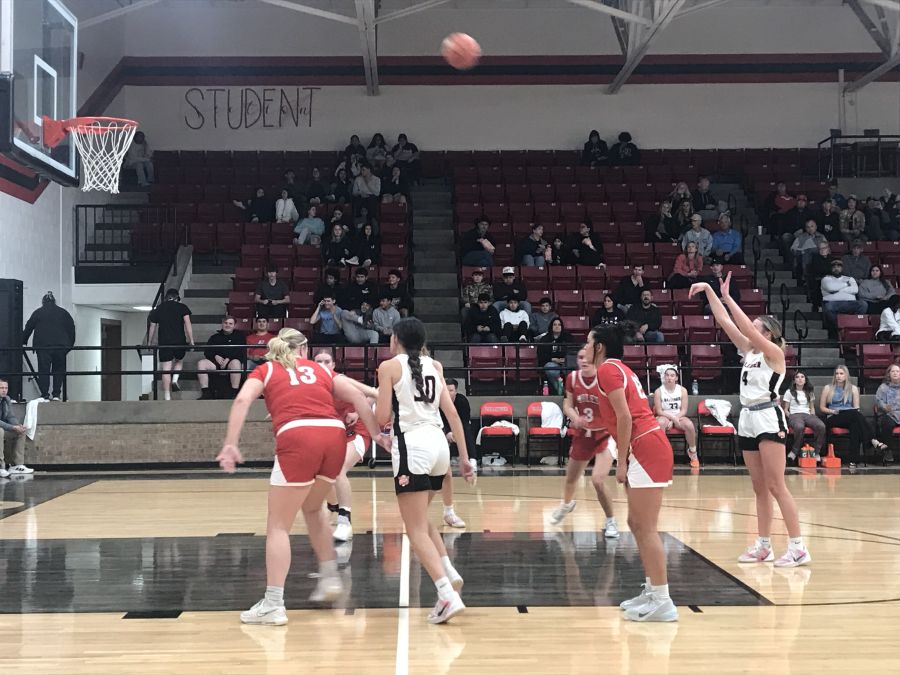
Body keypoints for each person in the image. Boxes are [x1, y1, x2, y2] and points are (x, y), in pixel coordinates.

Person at [216, 328, 388, 625]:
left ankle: (273, 603)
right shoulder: (320, 370)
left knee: (278, 526)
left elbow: (242, 401)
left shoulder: (266, 369)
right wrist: (377, 434)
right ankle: (330, 578)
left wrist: (230, 443)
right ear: (304, 350)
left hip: (298, 436)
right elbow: (361, 397)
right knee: (312, 508)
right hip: (334, 438)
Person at [688, 272, 809, 568]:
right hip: (747, 418)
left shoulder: (774, 353)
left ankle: (798, 547)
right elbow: (725, 322)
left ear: (767, 334)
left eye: (756, 328)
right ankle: (764, 545)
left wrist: (729, 297)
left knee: (776, 485)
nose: (750, 330)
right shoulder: (749, 351)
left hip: (768, 415)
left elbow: (744, 326)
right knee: (758, 486)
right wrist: (709, 290)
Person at [374, 318, 476, 624]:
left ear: (395, 339)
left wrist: (375, 400)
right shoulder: (436, 366)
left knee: (413, 529)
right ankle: (448, 570)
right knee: (421, 520)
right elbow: (453, 413)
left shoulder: (389, 367)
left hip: (413, 446)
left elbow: (381, 417)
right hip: (439, 447)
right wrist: (466, 457)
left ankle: (446, 594)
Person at [585, 323, 675, 622]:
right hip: (643, 444)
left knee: (646, 527)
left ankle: (663, 601)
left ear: (599, 347)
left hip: (645, 446)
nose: (583, 349)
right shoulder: (619, 369)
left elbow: (624, 417)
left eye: (588, 343)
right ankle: (652, 590)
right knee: (635, 522)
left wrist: (620, 460)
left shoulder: (607, 370)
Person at [550, 346, 620, 537]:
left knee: (597, 480)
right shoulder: (572, 378)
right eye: (580, 357)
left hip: (605, 434)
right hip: (584, 433)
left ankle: (611, 521)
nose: (583, 360)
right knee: (571, 478)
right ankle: (566, 505)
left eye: (586, 357)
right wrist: (575, 417)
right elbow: (567, 404)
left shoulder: (605, 379)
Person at [313, 349, 381, 542]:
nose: (323, 365)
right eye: (319, 361)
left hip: (356, 433)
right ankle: (333, 506)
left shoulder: (340, 380)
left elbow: (374, 395)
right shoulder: (312, 384)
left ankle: (345, 521)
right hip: (333, 434)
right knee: (321, 474)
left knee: (337, 470)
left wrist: (358, 413)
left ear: (333, 365)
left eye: (327, 361)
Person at [820, 365, 888, 465]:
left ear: (846, 375)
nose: (839, 376)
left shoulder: (853, 389)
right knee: (854, 415)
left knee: (855, 425)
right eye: (837, 374)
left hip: (850, 416)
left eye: (841, 374)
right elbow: (822, 407)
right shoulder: (828, 388)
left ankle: (854, 459)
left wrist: (850, 412)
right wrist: (831, 411)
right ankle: (873, 440)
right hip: (834, 416)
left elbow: (856, 407)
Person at [23, 291, 75, 402]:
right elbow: (71, 329)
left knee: (43, 370)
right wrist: (69, 346)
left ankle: (44, 395)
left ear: (43, 302)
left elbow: (29, 327)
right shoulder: (63, 313)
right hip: (61, 347)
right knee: (58, 370)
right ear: (54, 301)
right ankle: (56, 394)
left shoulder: (38, 312)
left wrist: (23, 341)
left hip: (43, 346)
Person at [440, 378, 476, 527]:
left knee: (467, 431)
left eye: (451, 390)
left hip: (459, 426)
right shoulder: (437, 401)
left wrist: (455, 432)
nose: (448, 393)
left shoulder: (462, 401)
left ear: (456, 391)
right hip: (439, 428)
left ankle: (471, 459)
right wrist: (447, 432)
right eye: (446, 390)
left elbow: (462, 420)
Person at [147, 288, 194, 401]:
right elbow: (188, 324)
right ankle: (175, 379)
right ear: (177, 297)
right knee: (179, 360)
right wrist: (191, 340)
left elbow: (152, 327)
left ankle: (167, 396)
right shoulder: (182, 307)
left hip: (164, 342)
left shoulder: (159, 309)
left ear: (166, 297)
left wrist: (149, 342)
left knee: (165, 369)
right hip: (179, 340)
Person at [653, 367, 698, 467]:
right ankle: (661, 453)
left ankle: (693, 452)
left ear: (676, 378)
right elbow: (659, 411)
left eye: (672, 375)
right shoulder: (658, 391)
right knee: (660, 423)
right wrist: (671, 419)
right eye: (667, 375)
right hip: (664, 416)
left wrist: (674, 420)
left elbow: (684, 410)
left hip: (679, 416)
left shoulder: (682, 390)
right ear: (664, 377)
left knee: (689, 425)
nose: (669, 378)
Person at [197, 316, 246, 399]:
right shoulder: (214, 337)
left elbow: (240, 351)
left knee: (236, 363)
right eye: (225, 323)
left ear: (234, 326)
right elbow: (207, 351)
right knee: (201, 363)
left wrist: (228, 358)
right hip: (216, 362)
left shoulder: (239, 337)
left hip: (231, 361)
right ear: (222, 324)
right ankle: (205, 393)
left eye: (230, 324)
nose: (227, 325)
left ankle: (235, 393)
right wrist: (215, 356)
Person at [782, 371, 826, 463]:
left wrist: (813, 417)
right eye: (797, 377)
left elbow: (812, 407)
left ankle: (816, 452)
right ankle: (795, 451)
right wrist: (790, 417)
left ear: (805, 380)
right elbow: (786, 409)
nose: (800, 379)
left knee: (821, 426)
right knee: (799, 426)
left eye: (802, 377)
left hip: (807, 414)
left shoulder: (809, 392)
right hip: (795, 415)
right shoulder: (789, 392)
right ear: (794, 380)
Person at [821, 260, 867, 327]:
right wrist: (846, 284)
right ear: (831, 269)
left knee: (863, 304)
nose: (836, 268)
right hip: (833, 303)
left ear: (842, 268)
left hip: (850, 303)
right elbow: (831, 288)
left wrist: (837, 289)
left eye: (838, 266)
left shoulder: (850, 279)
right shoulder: (826, 279)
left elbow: (855, 290)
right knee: (828, 307)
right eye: (834, 267)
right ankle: (841, 326)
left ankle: (853, 325)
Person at [0, 378, 30, 477]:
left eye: (6, 388)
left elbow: (10, 417)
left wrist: (18, 426)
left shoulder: (6, 400)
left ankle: (17, 465)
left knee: (21, 431)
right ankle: (1, 466)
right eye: (1, 388)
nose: (4, 390)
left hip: (4, 428)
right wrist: (13, 427)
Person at [538, 318, 574, 395]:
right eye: (554, 325)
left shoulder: (568, 337)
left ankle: (572, 391)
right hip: (551, 362)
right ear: (551, 326)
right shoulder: (545, 339)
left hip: (566, 361)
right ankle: (561, 390)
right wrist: (553, 359)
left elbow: (574, 350)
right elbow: (541, 354)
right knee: (550, 367)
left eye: (559, 325)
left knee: (573, 367)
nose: (557, 326)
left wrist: (566, 359)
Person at [874, 364, 899, 463]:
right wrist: (885, 408)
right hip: (888, 413)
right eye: (893, 371)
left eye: (897, 371)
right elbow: (879, 401)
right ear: (889, 374)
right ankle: (888, 450)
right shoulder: (883, 387)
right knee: (887, 424)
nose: (895, 373)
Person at [806, 241, 834, 308]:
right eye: (820, 248)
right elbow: (817, 269)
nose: (821, 250)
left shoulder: (831, 258)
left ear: (828, 249)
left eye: (823, 248)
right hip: (818, 278)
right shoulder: (815, 258)